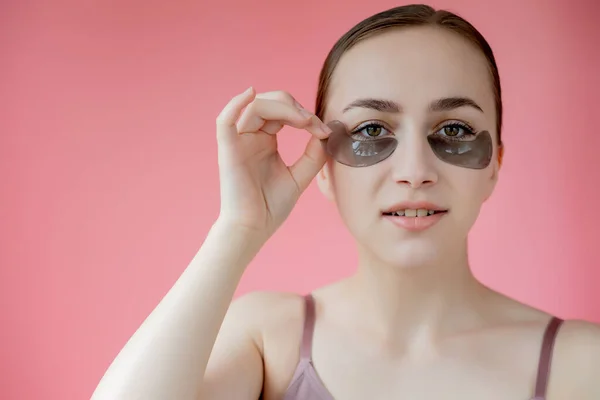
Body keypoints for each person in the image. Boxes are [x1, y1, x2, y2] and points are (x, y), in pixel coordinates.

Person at [91, 4, 600, 400]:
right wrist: (238, 229)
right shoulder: (269, 341)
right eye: (372, 129)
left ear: (495, 164)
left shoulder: (582, 363)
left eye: (454, 130)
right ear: (323, 166)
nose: (415, 172)